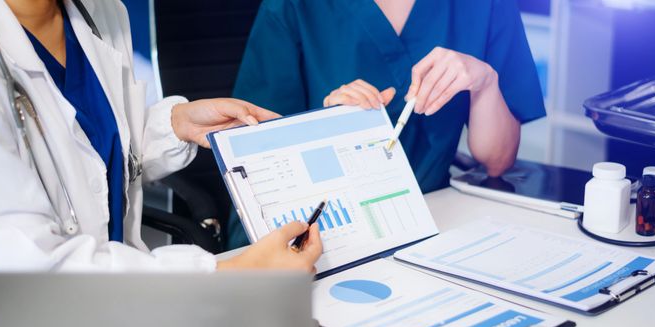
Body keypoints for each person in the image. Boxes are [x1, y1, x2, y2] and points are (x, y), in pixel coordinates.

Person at [0, 0, 322, 327]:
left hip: (105, 313)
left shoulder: (99, 14)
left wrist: (174, 126)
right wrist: (230, 275)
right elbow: (31, 272)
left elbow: (91, 158)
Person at [226, 0, 546, 249]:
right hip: (309, 226)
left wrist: (485, 83)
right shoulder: (295, 6)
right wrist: (327, 127)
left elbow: (496, 162)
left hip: (431, 216)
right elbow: (255, 156)